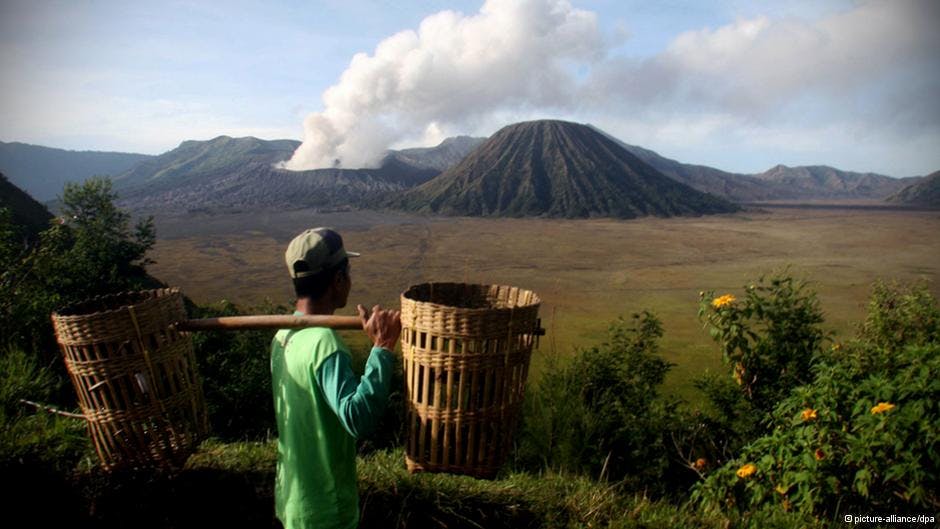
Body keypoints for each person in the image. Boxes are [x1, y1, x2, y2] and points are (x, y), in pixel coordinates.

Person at [271, 227, 401, 529]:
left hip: (291, 501)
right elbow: (358, 419)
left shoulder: (282, 335)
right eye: (348, 272)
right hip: (326, 511)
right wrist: (382, 349)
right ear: (338, 280)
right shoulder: (325, 345)